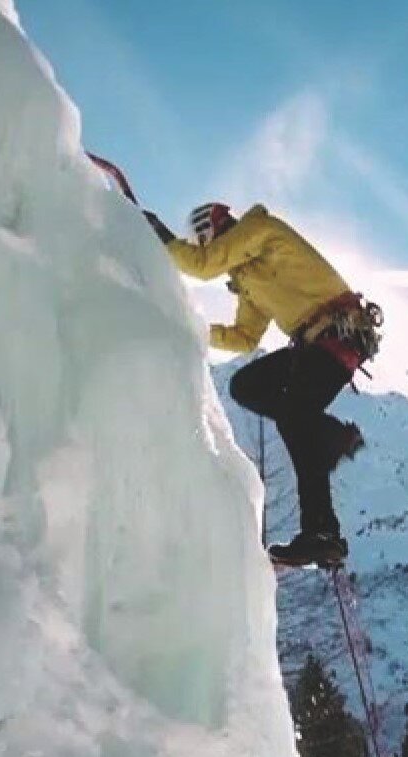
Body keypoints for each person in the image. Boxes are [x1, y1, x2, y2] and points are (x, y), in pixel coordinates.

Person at [146, 203, 381, 567]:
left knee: (297, 419)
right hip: (319, 345)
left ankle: (322, 528)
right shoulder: (248, 279)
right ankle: (323, 516)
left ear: (211, 230)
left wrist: (163, 239)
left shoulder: (263, 231)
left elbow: (201, 264)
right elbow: (244, 337)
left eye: (202, 240)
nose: (204, 246)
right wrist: (192, 327)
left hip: (336, 338)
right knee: (252, 390)